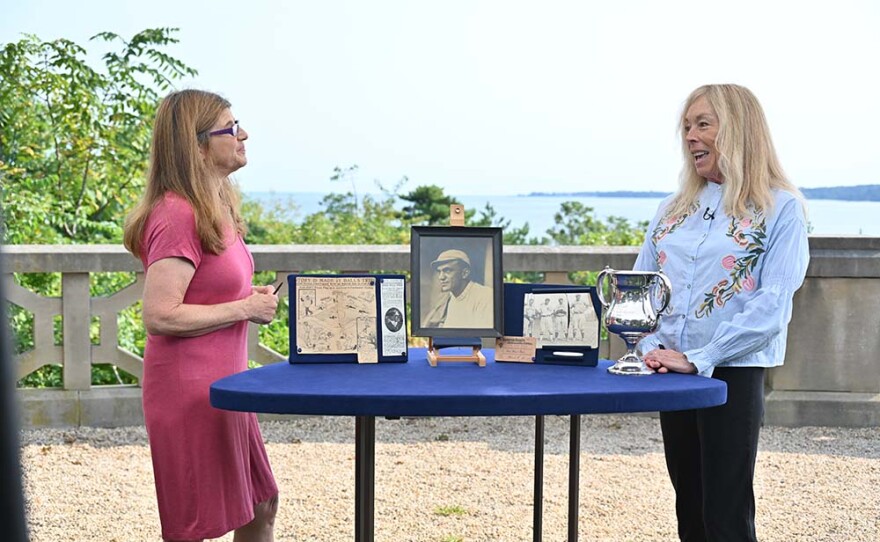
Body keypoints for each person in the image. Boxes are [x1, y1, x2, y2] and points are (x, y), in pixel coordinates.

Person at [634, 84, 809, 541]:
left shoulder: (781, 209)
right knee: (688, 507)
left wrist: (701, 356)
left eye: (703, 124)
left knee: (727, 513)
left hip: (732, 372)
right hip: (670, 373)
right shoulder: (670, 210)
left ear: (739, 129)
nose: (690, 136)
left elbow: (773, 304)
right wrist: (652, 348)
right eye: (687, 126)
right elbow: (640, 290)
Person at [123, 89, 280, 542]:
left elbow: (207, 287)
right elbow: (159, 314)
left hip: (226, 387)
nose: (243, 134)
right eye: (230, 129)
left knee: (259, 505)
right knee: (195, 527)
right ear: (196, 146)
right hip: (189, 392)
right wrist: (245, 307)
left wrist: (244, 297)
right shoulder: (177, 213)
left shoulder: (217, 208)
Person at [423, 249, 494, 328]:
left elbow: (486, 336)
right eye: (439, 272)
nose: (441, 277)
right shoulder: (447, 299)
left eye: (447, 270)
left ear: (464, 273)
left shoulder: (486, 296)